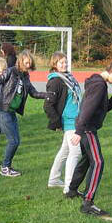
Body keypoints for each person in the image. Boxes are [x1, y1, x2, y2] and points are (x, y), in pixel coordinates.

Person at [68, 61, 112, 219]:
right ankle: (88, 203)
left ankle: (72, 190)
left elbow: (103, 107)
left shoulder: (97, 82)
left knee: (87, 159)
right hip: (87, 128)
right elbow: (87, 108)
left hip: (85, 126)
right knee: (98, 162)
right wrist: (80, 131)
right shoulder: (100, 86)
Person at [0, 50, 47, 177]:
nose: (28, 65)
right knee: (13, 141)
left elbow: (33, 93)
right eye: (26, 62)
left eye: (30, 63)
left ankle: (6, 166)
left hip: (11, 112)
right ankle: (5, 168)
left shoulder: (25, 76)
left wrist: (48, 96)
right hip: (3, 111)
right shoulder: (11, 71)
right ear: (20, 61)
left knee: (16, 140)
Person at [44, 51, 83, 193]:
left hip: (76, 119)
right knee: (76, 153)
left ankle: (54, 179)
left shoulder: (68, 78)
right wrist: (57, 122)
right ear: (54, 65)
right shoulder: (55, 81)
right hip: (70, 121)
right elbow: (48, 105)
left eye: (65, 62)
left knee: (65, 151)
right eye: (61, 62)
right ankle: (69, 187)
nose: (64, 64)